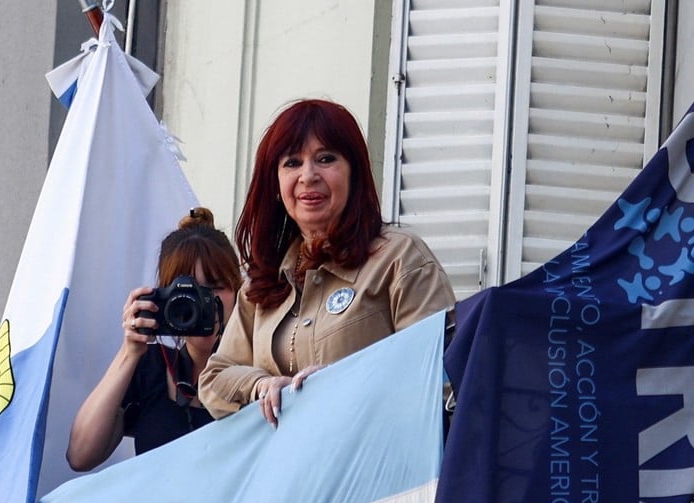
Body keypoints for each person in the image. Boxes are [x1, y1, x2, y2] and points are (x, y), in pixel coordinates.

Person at [198, 99, 455, 428]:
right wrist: (262, 385)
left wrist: (344, 384)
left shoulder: (400, 258)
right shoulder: (263, 283)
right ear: (275, 185)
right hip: (288, 475)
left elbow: (441, 373)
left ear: (354, 174)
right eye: (292, 162)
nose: (308, 176)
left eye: (325, 159)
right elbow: (215, 379)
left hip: (379, 469)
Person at [66, 207, 242, 471]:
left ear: (238, 290)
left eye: (215, 287)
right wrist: (130, 351)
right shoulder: (152, 367)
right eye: (188, 293)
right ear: (163, 298)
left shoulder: (256, 365)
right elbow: (80, 455)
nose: (202, 303)